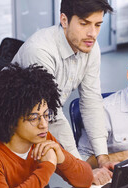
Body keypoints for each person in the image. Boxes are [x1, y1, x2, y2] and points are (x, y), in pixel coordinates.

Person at [12, 0, 114, 168]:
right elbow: (52, 115)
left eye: (98, 25)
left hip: (33, 124)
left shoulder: (90, 47)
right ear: (64, 20)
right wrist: (81, 167)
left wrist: (102, 157)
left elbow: (91, 101)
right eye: (84, 23)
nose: (93, 33)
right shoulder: (40, 52)